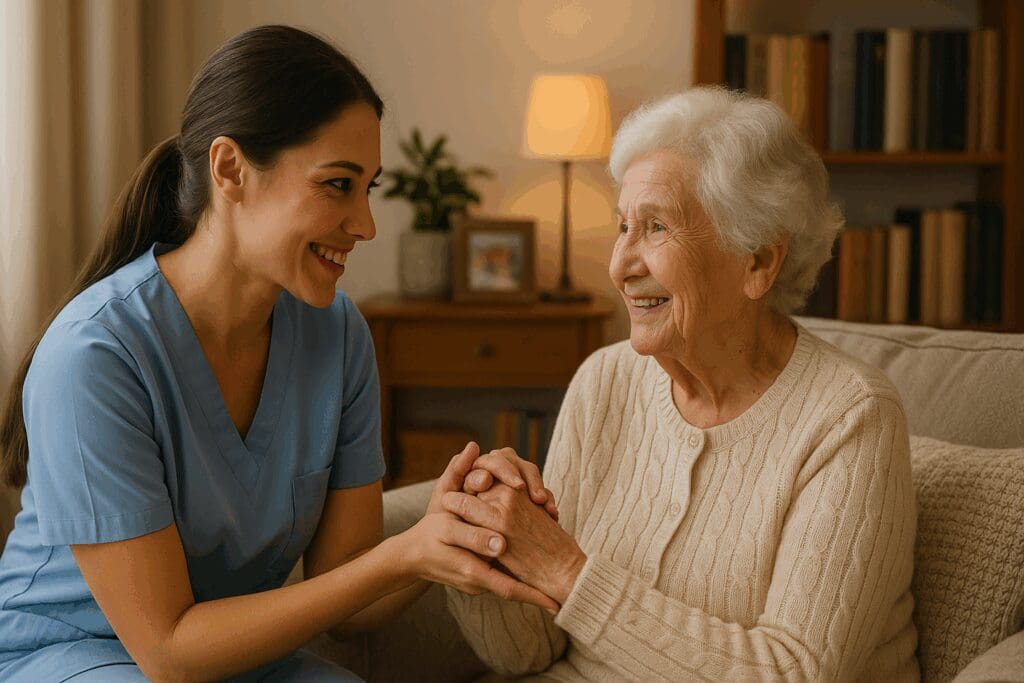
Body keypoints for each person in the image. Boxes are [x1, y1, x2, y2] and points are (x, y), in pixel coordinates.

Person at [0, 25, 557, 682]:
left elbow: (349, 603)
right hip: (84, 656)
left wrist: (446, 522)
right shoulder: (95, 355)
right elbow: (169, 652)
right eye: (337, 184)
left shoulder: (338, 333)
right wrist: (400, 554)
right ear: (230, 169)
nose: (366, 225)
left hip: (242, 658)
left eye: (368, 187)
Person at [441, 87, 919, 681]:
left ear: (758, 263)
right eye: (623, 227)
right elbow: (531, 651)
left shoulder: (850, 418)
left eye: (657, 228)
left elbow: (793, 674)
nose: (620, 265)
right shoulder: (606, 380)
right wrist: (483, 544)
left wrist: (567, 570)